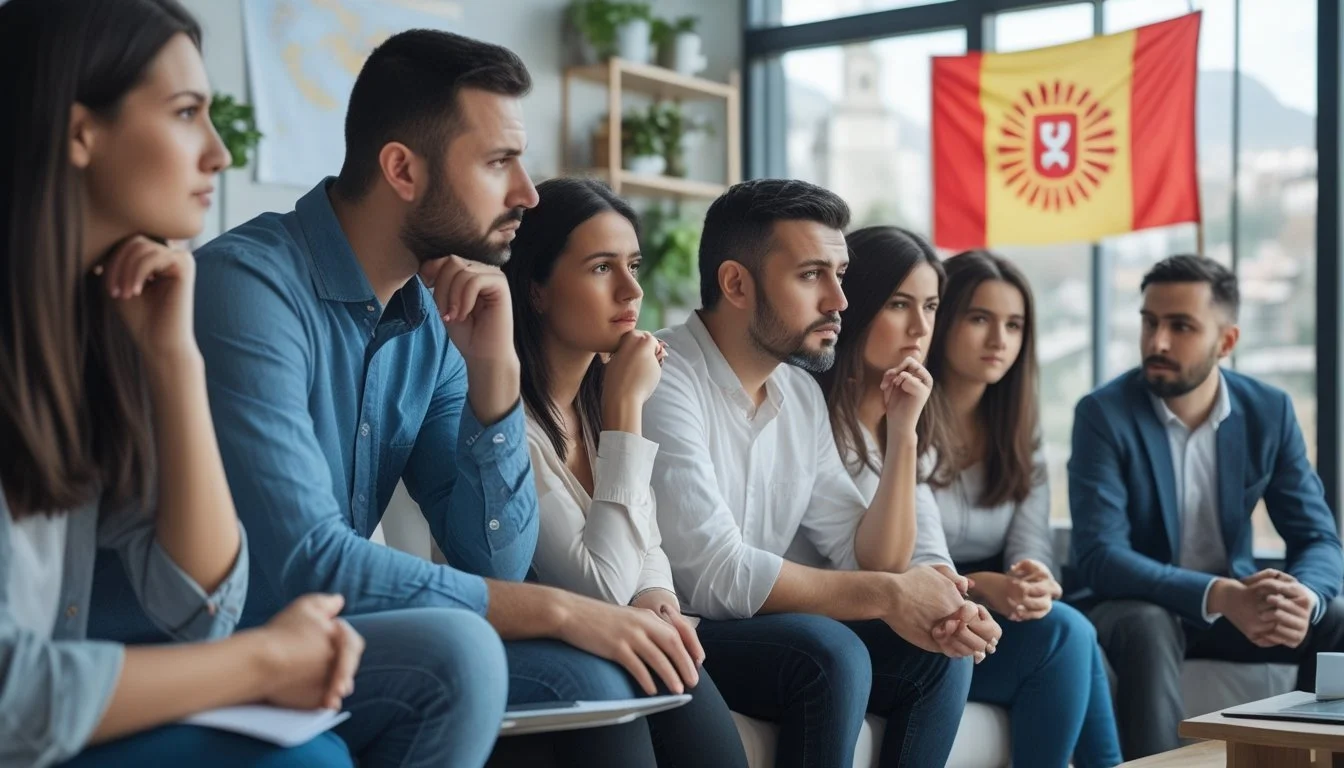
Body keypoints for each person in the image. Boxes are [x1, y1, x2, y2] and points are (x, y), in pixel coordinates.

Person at [89, 28, 700, 768]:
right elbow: (305, 563)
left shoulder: (436, 323)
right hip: (186, 649)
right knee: (479, 651)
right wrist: (563, 609)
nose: (527, 194)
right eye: (499, 162)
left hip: (330, 633)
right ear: (402, 170)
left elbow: (493, 557)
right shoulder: (245, 291)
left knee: (608, 677)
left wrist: (496, 378)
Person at [0, 1, 362, 766]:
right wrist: (266, 661)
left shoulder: (99, 333)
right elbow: (12, 695)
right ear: (79, 132)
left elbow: (198, 609)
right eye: (188, 113)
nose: (219, 154)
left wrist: (174, 364)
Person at [643, 179, 1002, 768]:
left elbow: (868, 553)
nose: (840, 299)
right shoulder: (662, 375)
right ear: (736, 283)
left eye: (840, 275)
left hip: (762, 627)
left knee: (941, 650)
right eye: (812, 275)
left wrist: (904, 433)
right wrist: (891, 595)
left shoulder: (800, 395)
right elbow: (714, 574)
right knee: (827, 650)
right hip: (684, 627)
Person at [817, 239, 1122, 768]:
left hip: (936, 598)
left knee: (1074, 630)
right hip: (874, 610)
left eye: (1014, 325)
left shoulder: (995, 430)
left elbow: (945, 551)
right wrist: (978, 591)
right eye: (980, 318)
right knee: (1071, 634)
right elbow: (888, 562)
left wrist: (1028, 582)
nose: (998, 340)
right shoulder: (887, 414)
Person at [502, 176, 749, 767]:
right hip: (543, 643)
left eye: (633, 264)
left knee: (690, 686)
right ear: (535, 290)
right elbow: (601, 586)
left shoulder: (596, 397)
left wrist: (658, 593)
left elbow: (646, 538)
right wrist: (625, 411)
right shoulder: (502, 420)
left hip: (620, 628)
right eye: (600, 268)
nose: (631, 289)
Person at [1069, 253, 1344, 759]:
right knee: (1148, 625)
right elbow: (1100, 556)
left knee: (1336, 617)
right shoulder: (1103, 415)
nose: (1157, 342)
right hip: (1134, 607)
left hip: (1234, 612)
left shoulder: (1269, 411)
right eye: (1149, 322)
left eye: (1181, 326)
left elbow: (1317, 537)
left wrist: (1305, 597)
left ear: (1227, 341)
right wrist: (1219, 594)